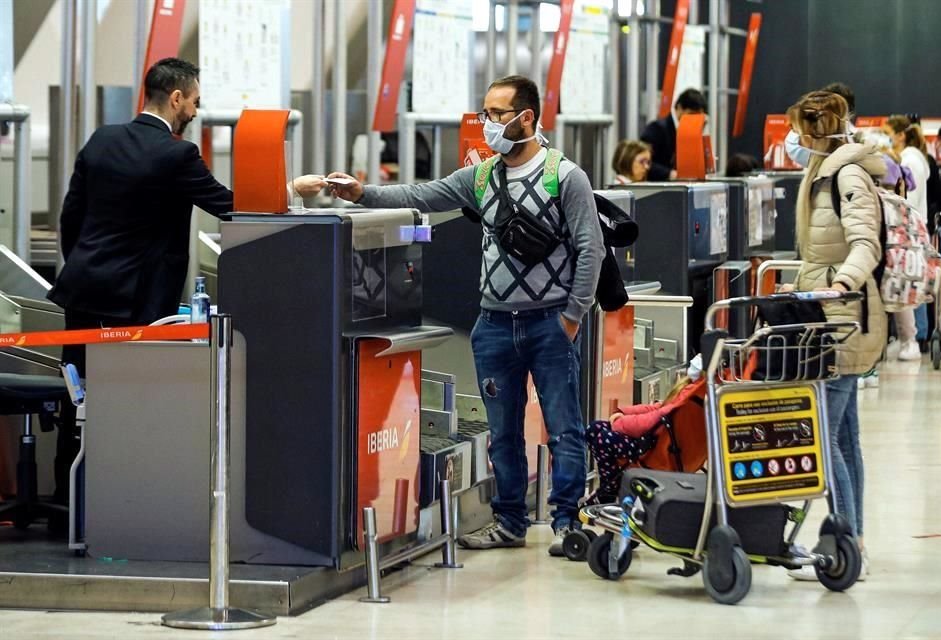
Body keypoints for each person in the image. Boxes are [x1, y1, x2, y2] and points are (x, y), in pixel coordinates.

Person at [321, 75, 604, 556]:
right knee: (503, 430)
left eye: (496, 114)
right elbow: (420, 196)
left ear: (526, 118)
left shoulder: (564, 176)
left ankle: (565, 521)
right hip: (493, 325)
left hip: (549, 323)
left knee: (564, 426)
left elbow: (590, 249)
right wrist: (361, 193)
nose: (486, 123)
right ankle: (511, 520)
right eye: (485, 113)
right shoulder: (481, 177)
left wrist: (571, 318)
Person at [46, 57, 323, 514]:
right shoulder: (176, 154)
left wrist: (84, 264)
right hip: (138, 298)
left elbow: (71, 216)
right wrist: (291, 188)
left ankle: (67, 501)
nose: (195, 111)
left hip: (82, 289)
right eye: (194, 101)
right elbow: (230, 206)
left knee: (77, 395)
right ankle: (122, 506)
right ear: (176, 98)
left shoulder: (101, 140)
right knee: (133, 401)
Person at [782, 90, 886, 581]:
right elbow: (824, 249)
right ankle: (854, 542)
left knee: (826, 439)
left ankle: (844, 546)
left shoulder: (845, 174)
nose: (793, 141)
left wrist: (839, 282)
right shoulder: (824, 171)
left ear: (814, 131)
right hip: (835, 315)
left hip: (842, 320)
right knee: (844, 438)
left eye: (799, 130)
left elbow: (865, 243)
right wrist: (804, 281)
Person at [884, 115, 931, 356]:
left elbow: (908, 194)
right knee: (912, 282)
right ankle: (914, 336)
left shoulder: (910, 159)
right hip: (911, 225)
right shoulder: (915, 157)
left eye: (889, 132)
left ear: (901, 134)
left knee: (910, 284)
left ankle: (917, 336)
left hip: (907, 226)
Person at [640, 88, 707, 181]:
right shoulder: (657, 128)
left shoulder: (690, 131)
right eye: (691, 114)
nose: (693, 120)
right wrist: (670, 173)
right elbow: (642, 161)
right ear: (679, 108)